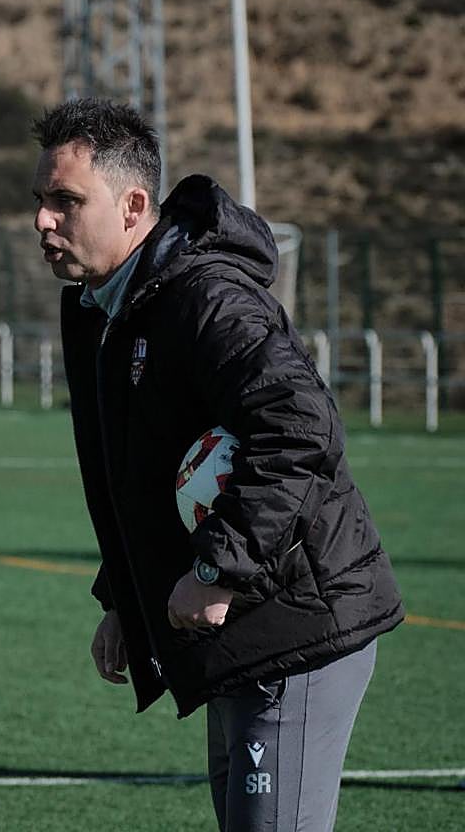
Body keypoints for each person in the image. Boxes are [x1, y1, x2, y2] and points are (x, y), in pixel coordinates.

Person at [31, 98, 404, 831]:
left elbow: (301, 428)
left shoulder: (208, 299)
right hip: (234, 624)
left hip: (290, 621)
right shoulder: (98, 305)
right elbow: (135, 468)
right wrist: (124, 599)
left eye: (65, 201)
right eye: (41, 201)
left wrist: (217, 571)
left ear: (134, 205)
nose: (43, 220)